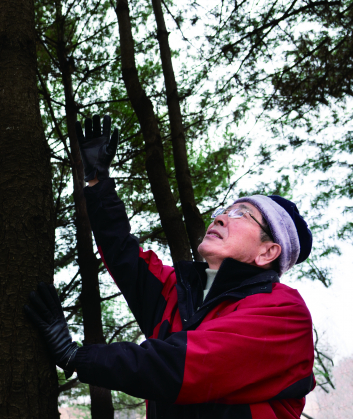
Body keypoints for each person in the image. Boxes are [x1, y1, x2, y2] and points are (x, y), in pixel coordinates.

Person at [24, 115, 315, 419]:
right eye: (224, 210)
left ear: (268, 252)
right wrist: (97, 180)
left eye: (242, 214)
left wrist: (77, 357)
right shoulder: (180, 293)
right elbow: (124, 256)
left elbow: (185, 364)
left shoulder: (284, 313)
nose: (220, 217)